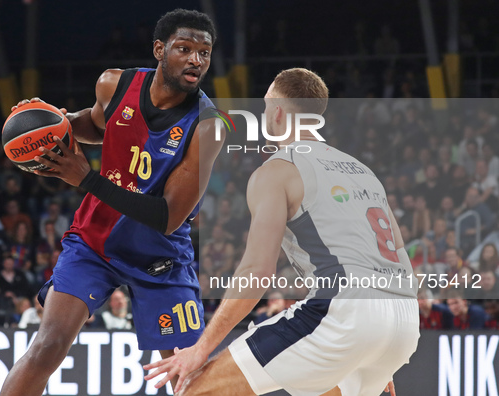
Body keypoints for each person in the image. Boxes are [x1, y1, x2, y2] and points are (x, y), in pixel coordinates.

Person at [145, 68, 418, 395]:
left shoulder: (278, 169)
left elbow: (256, 272)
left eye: (264, 107)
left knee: (194, 389)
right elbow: (398, 256)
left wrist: (201, 348)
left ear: (276, 111)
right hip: (403, 319)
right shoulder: (363, 172)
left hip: (347, 314)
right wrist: (378, 347)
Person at [0, 9, 223, 396]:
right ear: (159, 49)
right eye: (184, 49)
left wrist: (86, 179)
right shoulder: (114, 84)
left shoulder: (209, 126)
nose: (195, 60)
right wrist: (54, 124)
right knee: (47, 346)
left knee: (187, 375)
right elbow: (97, 123)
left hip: (161, 257)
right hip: (93, 242)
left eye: (204, 52)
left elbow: (167, 217)